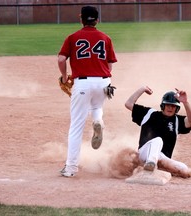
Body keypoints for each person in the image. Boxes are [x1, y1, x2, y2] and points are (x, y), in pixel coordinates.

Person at [58, 6, 117, 177]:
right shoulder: (105, 38)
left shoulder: (73, 37)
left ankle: (71, 168)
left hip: (83, 83)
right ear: (97, 20)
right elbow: (110, 64)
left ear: (80, 18)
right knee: (97, 105)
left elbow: (61, 58)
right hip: (104, 82)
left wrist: (64, 76)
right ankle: (98, 121)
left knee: (76, 127)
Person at [125, 86, 191, 178]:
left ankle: (153, 166)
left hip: (161, 158)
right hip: (144, 153)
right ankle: (151, 165)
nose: (170, 108)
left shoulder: (177, 121)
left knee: (184, 169)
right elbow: (128, 104)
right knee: (157, 140)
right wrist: (142, 89)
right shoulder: (149, 113)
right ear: (163, 105)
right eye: (168, 105)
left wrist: (185, 102)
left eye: (173, 106)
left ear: (177, 108)